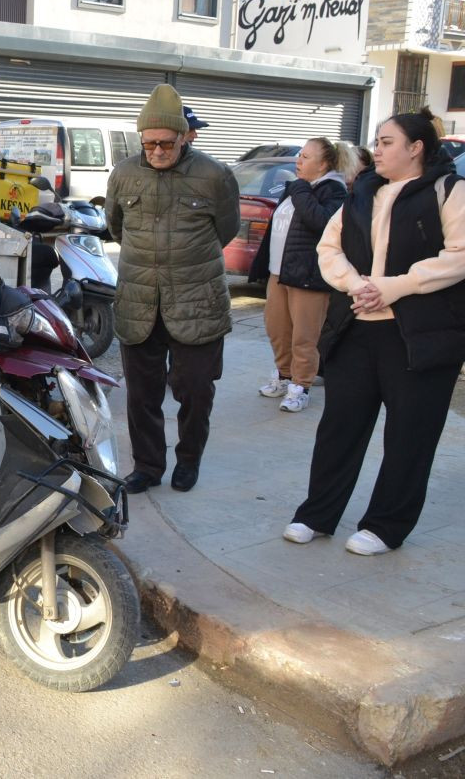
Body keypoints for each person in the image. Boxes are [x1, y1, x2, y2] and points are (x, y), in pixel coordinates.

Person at [284, 108, 465, 555]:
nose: (376, 150)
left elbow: (459, 255)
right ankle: (317, 514)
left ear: (416, 147)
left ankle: (386, 526)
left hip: (419, 337)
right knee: (338, 429)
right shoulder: (363, 192)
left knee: (409, 436)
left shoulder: (450, 191)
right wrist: (357, 285)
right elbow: (330, 247)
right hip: (357, 329)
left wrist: (392, 287)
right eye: (378, 142)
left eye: (386, 142)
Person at [105, 84, 240, 494]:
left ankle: (189, 460)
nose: (158, 151)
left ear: (185, 137)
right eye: (149, 144)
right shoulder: (124, 174)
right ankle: (147, 466)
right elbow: (116, 226)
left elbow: (226, 230)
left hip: (197, 300)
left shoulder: (215, 176)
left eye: (166, 143)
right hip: (139, 301)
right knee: (141, 395)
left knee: (196, 390)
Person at [247, 137, 353, 412]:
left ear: (324, 163)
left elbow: (320, 221)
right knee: (277, 330)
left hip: (308, 276)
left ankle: (301, 386)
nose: (299, 161)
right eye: (300, 155)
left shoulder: (334, 190)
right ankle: (283, 376)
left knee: (304, 336)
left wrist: (302, 190)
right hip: (278, 273)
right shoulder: (298, 187)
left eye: (306, 157)